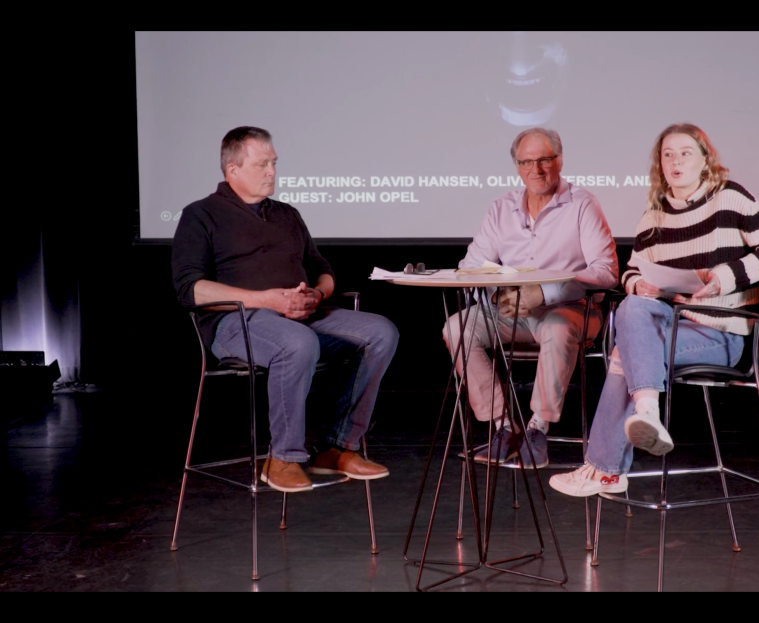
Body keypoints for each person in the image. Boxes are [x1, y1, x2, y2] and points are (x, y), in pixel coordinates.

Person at [549, 123, 759, 497]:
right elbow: (630, 270)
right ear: (659, 164)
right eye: (668, 154)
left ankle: (605, 469)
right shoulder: (655, 217)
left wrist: (723, 278)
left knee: (623, 353)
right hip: (673, 326)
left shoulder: (730, 198)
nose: (676, 161)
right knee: (632, 305)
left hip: (721, 335)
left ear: (705, 160)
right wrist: (638, 284)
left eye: (685, 153)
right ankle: (645, 414)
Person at [171, 126, 399, 493]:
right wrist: (267, 300)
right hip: (237, 323)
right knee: (297, 342)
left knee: (381, 332)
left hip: (304, 316)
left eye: (274, 163)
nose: (272, 172)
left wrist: (316, 296)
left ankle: (336, 447)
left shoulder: (287, 214)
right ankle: (284, 458)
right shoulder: (201, 215)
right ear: (232, 170)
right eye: (262, 164)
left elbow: (324, 271)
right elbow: (190, 289)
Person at [443, 127, 618, 469]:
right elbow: (470, 266)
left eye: (544, 160)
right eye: (526, 162)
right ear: (517, 166)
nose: (535, 170)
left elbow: (606, 271)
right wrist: (500, 294)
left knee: (556, 327)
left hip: (571, 311)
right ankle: (503, 428)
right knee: (456, 328)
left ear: (559, 160)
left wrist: (543, 293)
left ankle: (538, 429)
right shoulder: (501, 207)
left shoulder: (582, 203)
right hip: (511, 314)